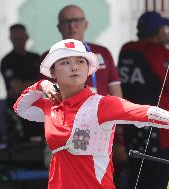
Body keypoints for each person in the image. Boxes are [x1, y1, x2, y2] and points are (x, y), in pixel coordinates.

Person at [13, 39, 169, 189]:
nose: (74, 67)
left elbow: (145, 112)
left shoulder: (102, 104)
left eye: (80, 61)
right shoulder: (50, 106)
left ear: (88, 70)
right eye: (65, 62)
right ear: (53, 72)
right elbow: (20, 108)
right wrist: (40, 86)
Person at [41, 5, 127, 184]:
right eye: (67, 21)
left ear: (86, 24)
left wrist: (119, 136)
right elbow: (44, 99)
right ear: (59, 27)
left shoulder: (102, 53)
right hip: (66, 134)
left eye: (77, 20)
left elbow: (117, 96)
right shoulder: (49, 57)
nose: (72, 25)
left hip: (100, 133)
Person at [117, 11, 169, 189]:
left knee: (136, 173)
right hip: (157, 124)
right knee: (158, 177)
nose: (166, 32)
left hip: (131, 120)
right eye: (163, 28)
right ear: (156, 31)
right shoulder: (157, 52)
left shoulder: (127, 48)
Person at [0, 23, 44, 143]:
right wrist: (38, 84)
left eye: (21, 38)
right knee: (23, 145)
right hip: (18, 111)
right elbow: (17, 88)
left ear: (27, 37)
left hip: (39, 107)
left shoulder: (36, 58)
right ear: (11, 39)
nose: (19, 42)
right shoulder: (7, 61)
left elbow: (47, 83)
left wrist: (27, 84)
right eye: (16, 39)